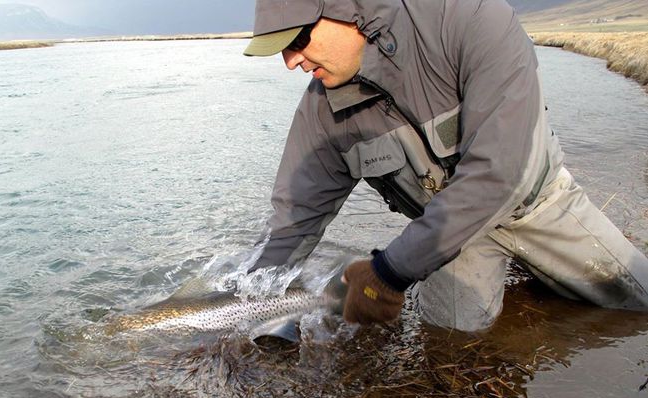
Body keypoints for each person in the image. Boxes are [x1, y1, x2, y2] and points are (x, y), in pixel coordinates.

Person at [243, 0, 648, 332]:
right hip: (446, 243)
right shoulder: (320, 114)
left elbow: (498, 173)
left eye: (297, 39)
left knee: (639, 302)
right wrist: (245, 303)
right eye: (282, 49)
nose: (290, 62)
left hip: (536, 207)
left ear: (344, 9)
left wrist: (389, 270)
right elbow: (292, 221)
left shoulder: (473, 20)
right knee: (451, 350)